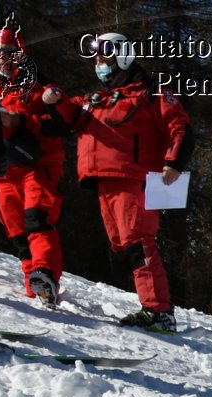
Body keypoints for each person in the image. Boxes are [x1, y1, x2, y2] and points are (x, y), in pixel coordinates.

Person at [42, 32, 191, 333]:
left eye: (104, 56)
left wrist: (173, 162)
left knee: (138, 241)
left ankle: (159, 311)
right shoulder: (99, 98)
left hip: (134, 179)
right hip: (104, 181)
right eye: (96, 56)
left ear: (123, 56)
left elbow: (180, 127)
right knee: (123, 245)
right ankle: (152, 307)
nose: (98, 62)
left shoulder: (151, 93)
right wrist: (54, 99)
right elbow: (71, 114)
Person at [0, 24, 65, 309]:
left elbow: (62, 124)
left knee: (36, 221)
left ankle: (45, 275)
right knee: (16, 233)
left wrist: (26, 121)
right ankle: (34, 283)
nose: (2, 57)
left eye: (8, 51)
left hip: (36, 168)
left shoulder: (40, 86)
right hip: (5, 173)